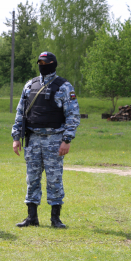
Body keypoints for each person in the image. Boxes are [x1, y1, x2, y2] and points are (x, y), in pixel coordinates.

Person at [11, 51, 80, 228]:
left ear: (53, 64)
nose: (43, 65)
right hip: (33, 139)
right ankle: (31, 217)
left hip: (54, 139)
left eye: (46, 62)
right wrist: (16, 137)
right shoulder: (30, 85)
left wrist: (67, 139)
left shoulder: (63, 86)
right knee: (32, 178)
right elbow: (21, 112)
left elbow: (73, 115)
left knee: (54, 179)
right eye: (40, 62)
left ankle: (55, 219)